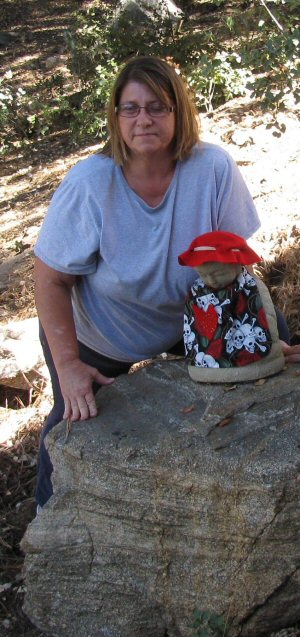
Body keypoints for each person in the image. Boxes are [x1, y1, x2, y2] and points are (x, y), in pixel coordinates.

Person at [34, 55, 276, 507]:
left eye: (157, 107)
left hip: (186, 317)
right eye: (131, 108)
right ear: (116, 117)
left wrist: (262, 337)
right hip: (100, 333)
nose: (143, 118)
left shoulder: (212, 168)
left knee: (264, 364)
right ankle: (47, 516)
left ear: (178, 113)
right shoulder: (89, 183)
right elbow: (48, 280)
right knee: (74, 418)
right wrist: (68, 367)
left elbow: (235, 264)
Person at [178, 230, 285, 382]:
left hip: (254, 354)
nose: (211, 280)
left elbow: (267, 317)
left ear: (235, 264)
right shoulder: (197, 292)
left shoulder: (250, 287)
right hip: (206, 358)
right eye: (203, 275)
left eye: (217, 274)